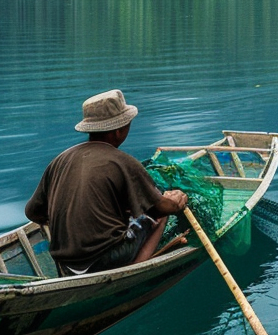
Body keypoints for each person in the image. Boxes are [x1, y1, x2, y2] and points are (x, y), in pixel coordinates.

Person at [25, 89, 189, 275]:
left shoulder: (60, 160)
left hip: (65, 262)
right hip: (105, 260)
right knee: (158, 216)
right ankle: (134, 269)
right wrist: (176, 200)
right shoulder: (122, 162)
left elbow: (33, 212)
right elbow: (160, 207)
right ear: (118, 130)